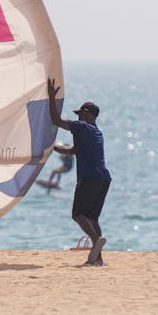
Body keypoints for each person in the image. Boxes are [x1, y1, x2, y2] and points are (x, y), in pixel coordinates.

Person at [46, 79, 111, 265]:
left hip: (89, 177)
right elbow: (71, 151)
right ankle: (98, 260)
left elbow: (56, 121)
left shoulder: (82, 127)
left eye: (82, 114)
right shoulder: (96, 132)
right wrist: (51, 147)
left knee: (78, 215)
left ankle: (96, 241)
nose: (79, 118)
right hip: (103, 179)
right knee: (92, 218)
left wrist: (51, 98)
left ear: (89, 116)